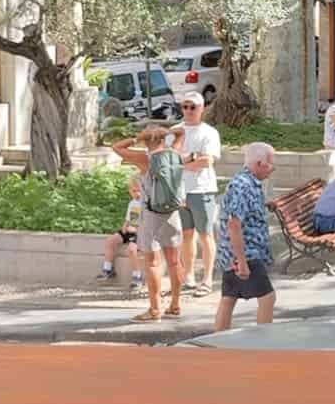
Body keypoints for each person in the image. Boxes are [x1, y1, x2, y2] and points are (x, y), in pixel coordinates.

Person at [112, 127, 185, 319]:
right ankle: (175, 305)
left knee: (153, 262)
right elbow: (181, 134)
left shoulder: (146, 160)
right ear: (163, 138)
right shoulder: (175, 153)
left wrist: (136, 137)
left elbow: (117, 147)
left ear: (146, 140)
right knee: (175, 261)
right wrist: (171, 131)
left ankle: (154, 309)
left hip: (152, 214)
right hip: (173, 212)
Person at [214, 142, 277, 333]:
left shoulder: (247, 183)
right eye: (270, 164)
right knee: (267, 297)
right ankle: (262, 342)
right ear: (259, 164)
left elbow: (240, 211)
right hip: (245, 252)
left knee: (229, 297)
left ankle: (218, 340)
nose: (272, 169)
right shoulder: (243, 186)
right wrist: (242, 261)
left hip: (234, 252)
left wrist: (263, 205)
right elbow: (234, 223)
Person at [174, 91, 221, 294]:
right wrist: (191, 160)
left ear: (202, 109)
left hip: (202, 189)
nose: (188, 111)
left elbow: (207, 161)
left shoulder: (209, 132)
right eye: (185, 106)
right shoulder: (175, 131)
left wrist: (183, 162)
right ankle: (189, 276)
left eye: (193, 107)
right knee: (186, 235)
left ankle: (208, 278)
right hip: (180, 190)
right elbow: (169, 159)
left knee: (205, 234)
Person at [99, 170, 144, 291]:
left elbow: (146, 223)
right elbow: (129, 218)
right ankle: (107, 269)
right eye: (134, 191)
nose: (137, 194)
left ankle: (137, 276)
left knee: (131, 249)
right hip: (130, 229)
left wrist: (136, 229)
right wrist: (125, 227)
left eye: (139, 190)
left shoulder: (146, 204)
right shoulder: (132, 203)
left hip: (140, 232)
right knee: (111, 240)